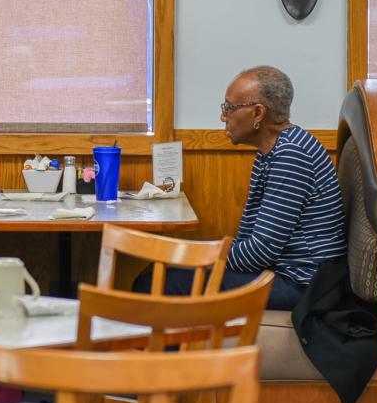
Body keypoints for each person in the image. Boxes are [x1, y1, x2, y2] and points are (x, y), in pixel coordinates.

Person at [136, 65, 346, 309]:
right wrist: (195, 254)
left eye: (229, 108)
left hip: (302, 283)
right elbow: (250, 237)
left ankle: (165, 347)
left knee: (161, 282)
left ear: (258, 113)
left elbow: (259, 252)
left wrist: (198, 257)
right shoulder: (272, 150)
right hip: (282, 271)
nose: (223, 117)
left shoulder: (291, 154)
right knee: (157, 272)